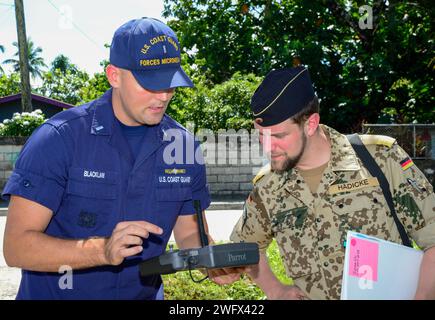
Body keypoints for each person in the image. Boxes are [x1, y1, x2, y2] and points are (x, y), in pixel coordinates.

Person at [2, 17, 239, 300]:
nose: (163, 96)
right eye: (150, 84)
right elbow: (17, 246)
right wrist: (101, 250)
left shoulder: (184, 147)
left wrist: (210, 262)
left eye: (171, 84)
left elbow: (190, 234)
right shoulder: (59, 139)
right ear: (114, 75)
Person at [230, 66, 435, 300]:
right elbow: (244, 248)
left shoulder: (380, 159)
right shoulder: (268, 187)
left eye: (278, 136)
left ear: (310, 124)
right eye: (261, 135)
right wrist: (275, 290)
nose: (267, 147)